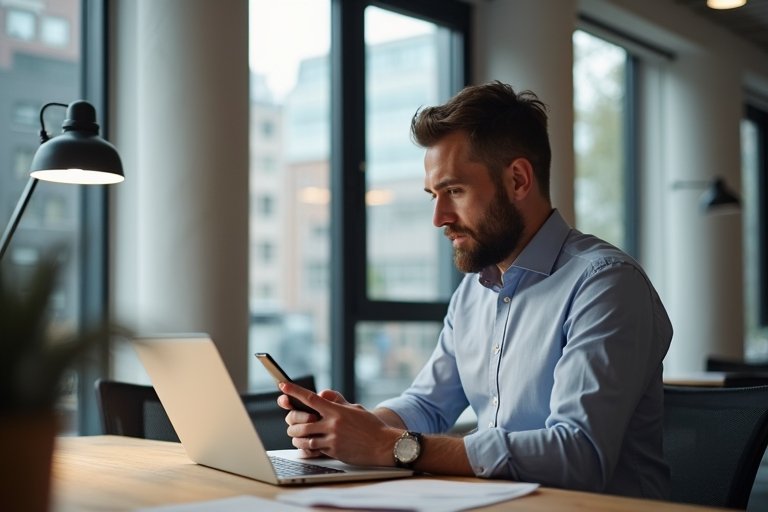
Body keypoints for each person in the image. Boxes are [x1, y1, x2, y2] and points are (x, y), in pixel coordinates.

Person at [278, 80, 673, 499]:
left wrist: (386, 446)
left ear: (519, 180)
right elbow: (429, 405)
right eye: (433, 194)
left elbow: (578, 456)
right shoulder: (473, 292)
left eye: (454, 191)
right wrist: (353, 428)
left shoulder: (606, 284)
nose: (439, 217)